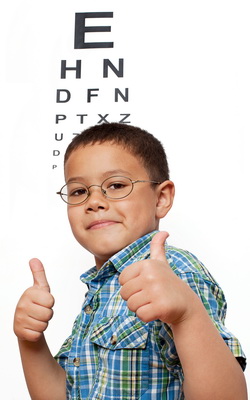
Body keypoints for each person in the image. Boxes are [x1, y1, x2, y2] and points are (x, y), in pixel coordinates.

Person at [14, 123, 247, 400]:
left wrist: (186, 316)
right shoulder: (101, 289)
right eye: (79, 191)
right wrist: (30, 341)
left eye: (116, 185)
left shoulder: (174, 270)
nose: (95, 201)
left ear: (161, 198)